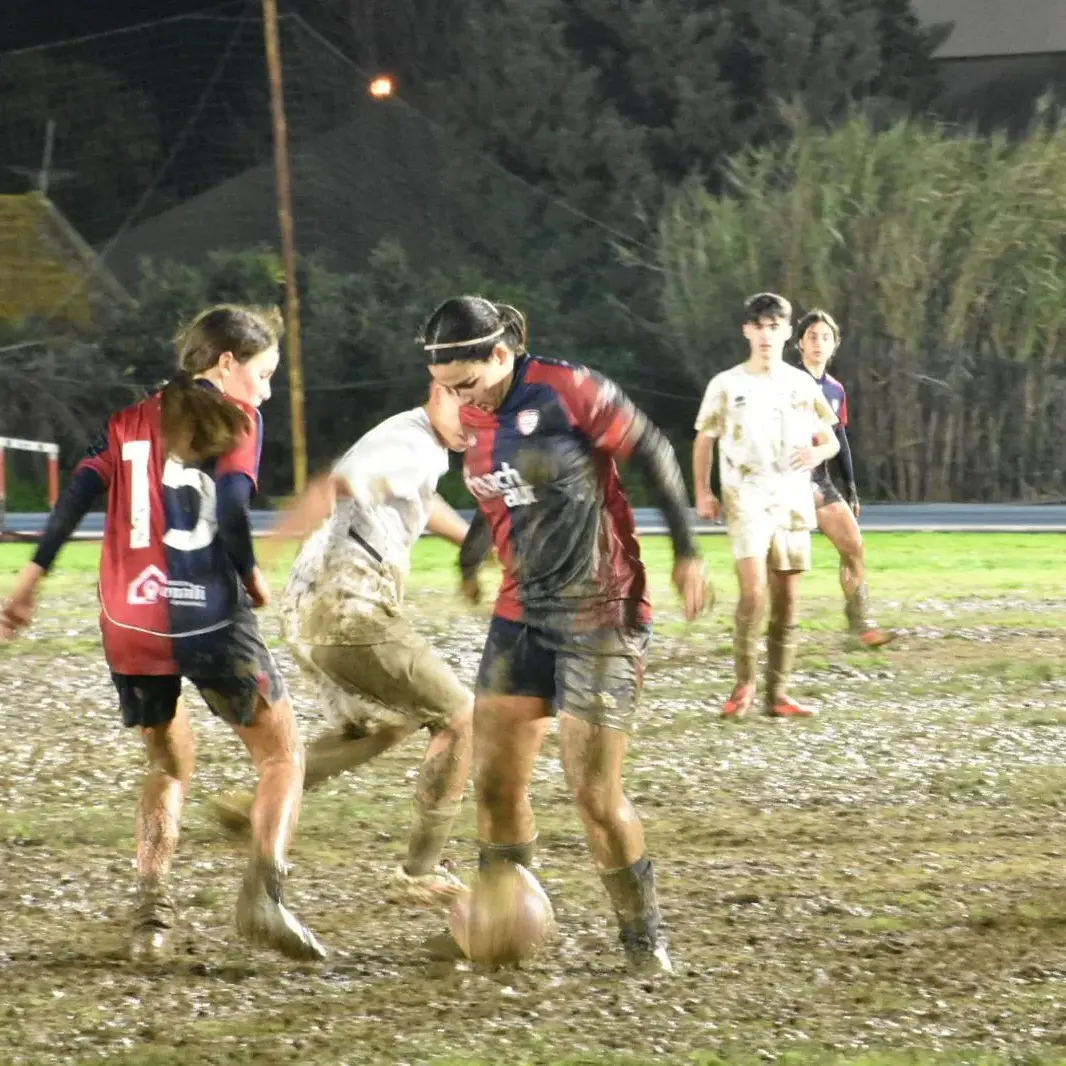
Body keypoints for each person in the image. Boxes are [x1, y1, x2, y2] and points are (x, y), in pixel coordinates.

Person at [0, 304, 325, 963]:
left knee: (168, 764)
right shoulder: (239, 418)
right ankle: (264, 895)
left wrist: (32, 578)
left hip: (131, 623)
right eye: (262, 374)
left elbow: (74, 498)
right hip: (207, 618)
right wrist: (251, 572)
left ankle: (151, 915)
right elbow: (233, 506)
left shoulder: (127, 422)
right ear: (226, 363)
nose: (265, 390)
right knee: (282, 757)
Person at [421, 295, 707, 974]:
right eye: (446, 389)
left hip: (599, 614)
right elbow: (497, 494)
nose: (462, 402)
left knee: (593, 795)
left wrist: (687, 551)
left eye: (467, 384)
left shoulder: (569, 390)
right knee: (493, 785)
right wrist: (470, 558)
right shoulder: (472, 412)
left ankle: (644, 941)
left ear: (501, 355)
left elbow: (655, 450)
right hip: (521, 617)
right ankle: (499, 927)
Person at [212, 385, 475, 906]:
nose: (476, 420)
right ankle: (419, 872)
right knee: (463, 716)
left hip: (310, 610)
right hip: (347, 609)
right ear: (438, 388)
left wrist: (475, 545)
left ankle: (255, 806)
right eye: (465, 403)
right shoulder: (410, 442)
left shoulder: (420, 448)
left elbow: (420, 498)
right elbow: (330, 487)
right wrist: (253, 561)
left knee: (387, 720)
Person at [692, 292, 839, 720]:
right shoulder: (727, 384)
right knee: (754, 592)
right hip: (745, 496)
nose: (765, 335)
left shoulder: (800, 384)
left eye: (774, 327)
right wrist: (703, 491)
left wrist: (818, 454)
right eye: (758, 326)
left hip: (791, 498)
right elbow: (704, 438)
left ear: (787, 332)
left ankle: (779, 693)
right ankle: (745, 684)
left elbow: (828, 438)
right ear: (746, 331)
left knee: (788, 600)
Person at [795, 309, 895, 648]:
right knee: (779, 562)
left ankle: (860, 626)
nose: (818, 343)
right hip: (786, 481)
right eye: (812, 337)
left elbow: (840, 440)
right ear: (799, 344)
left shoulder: (835, 390)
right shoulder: (786, 382)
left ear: (834, 345)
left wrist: (851, 488)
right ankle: (767, 631)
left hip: (819, 481)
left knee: (854, 546)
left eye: (825, 337)